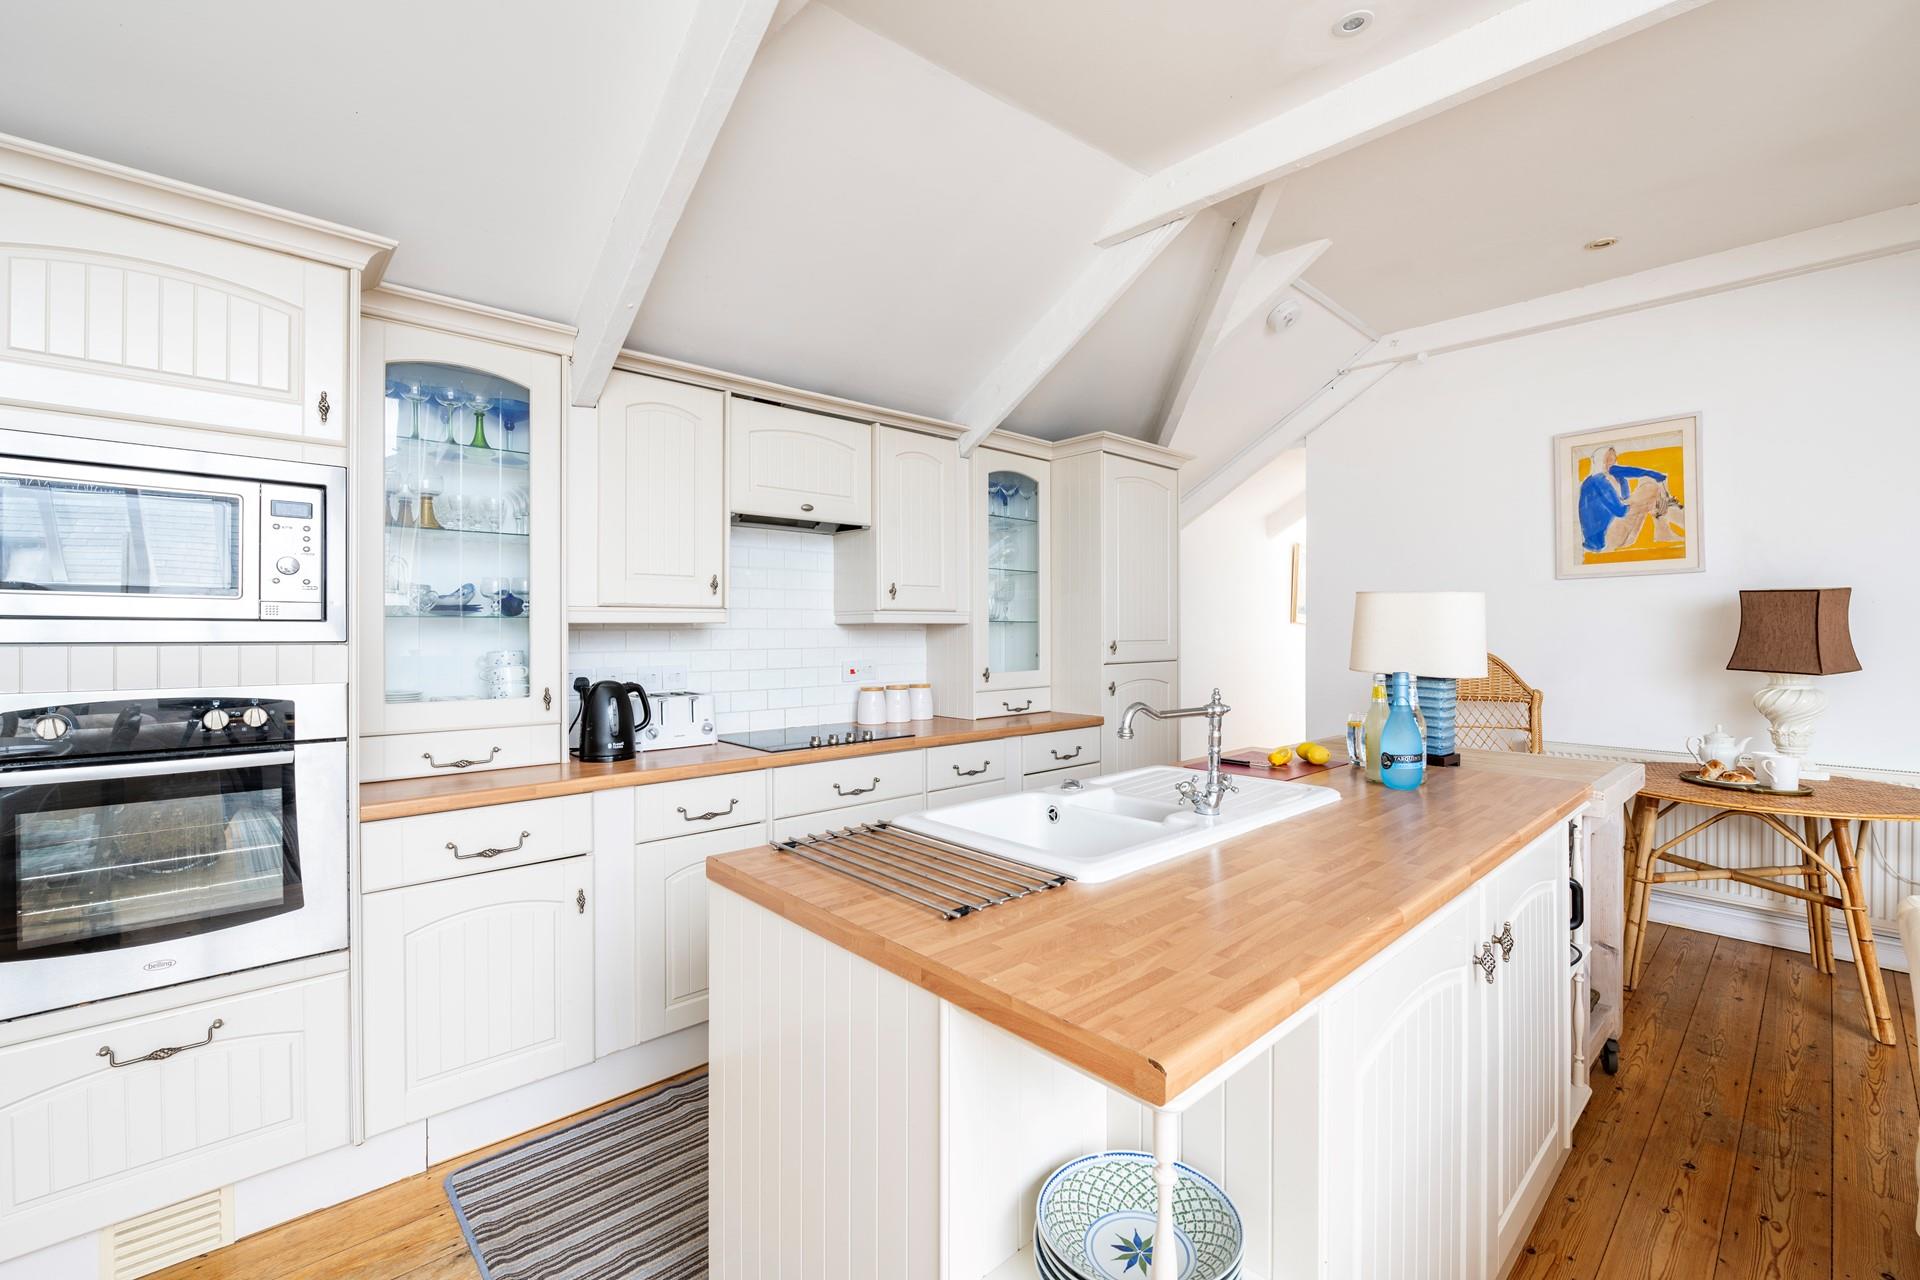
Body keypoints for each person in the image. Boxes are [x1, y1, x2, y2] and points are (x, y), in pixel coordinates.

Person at [1577, 445, 1670, 553]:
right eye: (1607, 459)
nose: (1611, 462)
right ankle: (1662, 529)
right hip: (1604, 541)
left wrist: (1655, 475)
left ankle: (1663, 530)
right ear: (1600, 460)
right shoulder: (1597, 480)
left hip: (1623, 536)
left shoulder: (1614, 474)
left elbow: (1635, 472)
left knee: (1649, 482)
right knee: (1650, 488)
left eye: (1613, 458)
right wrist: (1650, 503)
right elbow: (1620, 511)